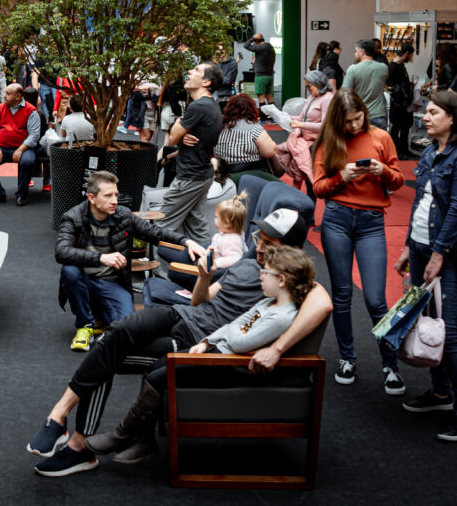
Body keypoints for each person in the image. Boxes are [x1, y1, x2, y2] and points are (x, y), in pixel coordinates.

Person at [27, 208, 331, 476]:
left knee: (109, 352)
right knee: (115, 334)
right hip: (183, 315)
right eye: (258, 238)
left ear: (290, 250)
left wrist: (277, 349)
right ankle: (60, 416)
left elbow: (323, 304)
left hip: (198, 341)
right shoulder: (249, 264)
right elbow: (202, 302)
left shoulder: (289, 278)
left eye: (269, 242)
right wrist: (204, 277)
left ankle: (79, 446)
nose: (260, 246)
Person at [81, 245, 317, 468]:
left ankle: (121, 434)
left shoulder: (282, 317)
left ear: (282, 280)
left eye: (266, 272)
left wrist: (225, 337)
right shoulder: (268, 302)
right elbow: (234, 326)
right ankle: (145, 441)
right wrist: (207, 341)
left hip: (231, 367)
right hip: (218, 352)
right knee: (156, 365)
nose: (261, 275)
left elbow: (238, 339)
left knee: (158, 377)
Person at [396, 90, 457, 442]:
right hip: (420, 248)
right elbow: (420, 202)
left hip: (447, 255)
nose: (426, 116)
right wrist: (408, 245)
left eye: (433, 112)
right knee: (427, 323)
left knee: (448, 333)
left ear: (453, 117)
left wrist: (438, 253)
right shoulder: (432, 151)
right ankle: (440, 394)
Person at [312, 87, 406, 394]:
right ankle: (347, 358)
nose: (354, 126)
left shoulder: (381, 136)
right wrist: (343, 177)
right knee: (341, 294)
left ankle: (390, 365)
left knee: (376, 299)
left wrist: (383, 172)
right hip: (337, 219)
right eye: (348, 121)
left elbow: (399, 180)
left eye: (358, 118)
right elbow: (319, 188)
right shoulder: (329, 140)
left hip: (371, 223)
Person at [56, 171, 207, 353]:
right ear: (92, 198)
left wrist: (186, 241)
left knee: (128, 329)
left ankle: (100, 319)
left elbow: (155, 233)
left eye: (116, 195)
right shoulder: (73, 217)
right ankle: (84, 325)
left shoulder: (123, 215)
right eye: (108, 195)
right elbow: (61, 251)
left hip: (112, 283)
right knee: (70, 271)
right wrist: (101, 258)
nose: (115, 200)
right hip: (84, 281)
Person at [154, 63, 223, 248]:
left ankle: (162, 275)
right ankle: (205, 269)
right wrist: (182, 133)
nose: (190, 71)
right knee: (197, 228)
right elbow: (180, 137)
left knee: (162, 227)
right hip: (200, 174)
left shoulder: (198, 107)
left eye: (197, 71)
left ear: (206, 82)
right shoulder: (209, 105)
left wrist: (179, 125)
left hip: (190, 176)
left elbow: (173, 137)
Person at [0, 82, 41, 206]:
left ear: (18, 96)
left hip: (23, 148)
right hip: (2, 146)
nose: (4, 96)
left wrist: (20, 149)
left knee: (28, 161)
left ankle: (21, 194)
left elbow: (34, 135)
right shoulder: (0, 108)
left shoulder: (31, 111)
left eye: (8, 94)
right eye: (5, 93)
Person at [274, 69, 334, 193]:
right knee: (297, 167)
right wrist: (282, 116)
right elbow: (301, 118)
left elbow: (325, 125)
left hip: (317, 142)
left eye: (309, 86)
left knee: (306, 174)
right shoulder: (312, 97)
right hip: (304, 139)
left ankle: (303, 203)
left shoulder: (328, 98)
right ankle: (296, 201)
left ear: (318, 83)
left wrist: (301, 124)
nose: (307, 89)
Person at [214, 93, 278, 175]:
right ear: (252, 109)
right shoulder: (253, 127)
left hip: (222, 173)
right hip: (251, 172)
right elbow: (270, 151)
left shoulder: (219, 127)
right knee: (281, 186)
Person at [342, 39, 390, 130]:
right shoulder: (383, 68)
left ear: (362, 52)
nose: (355, 54)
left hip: (360, 117)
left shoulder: (353, 69)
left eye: (356, 51)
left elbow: (345, 93)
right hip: (379, 115)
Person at [387, 43, 417, 158]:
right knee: (396, 127)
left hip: (404, 103)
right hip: (398, 103)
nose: (411, 58)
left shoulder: (401, 66)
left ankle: (404, 149)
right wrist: (407, 86)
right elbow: (390, 87)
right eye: (411, 55)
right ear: (406, 54)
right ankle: (397, 152)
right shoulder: (393, 67)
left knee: (405, 126)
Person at [207, 192, 250, 271]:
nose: (215, 219)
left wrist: (214, 263)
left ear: (227, 223)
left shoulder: (231, 241)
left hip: (214, 272)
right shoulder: (237, 235)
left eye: (217, 217)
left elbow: (235, 258)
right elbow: (245, 251)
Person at [244, 33, 276, 106]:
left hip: (261, 76)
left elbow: (246, 45)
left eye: (255, 42)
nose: (254, 44)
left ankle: (263, 116)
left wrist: (253, 38)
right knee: (269, 97)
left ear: (257, 41)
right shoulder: (270, 47)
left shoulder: (261, 48)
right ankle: (272, 116)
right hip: (270, 75)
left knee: (261, 98)